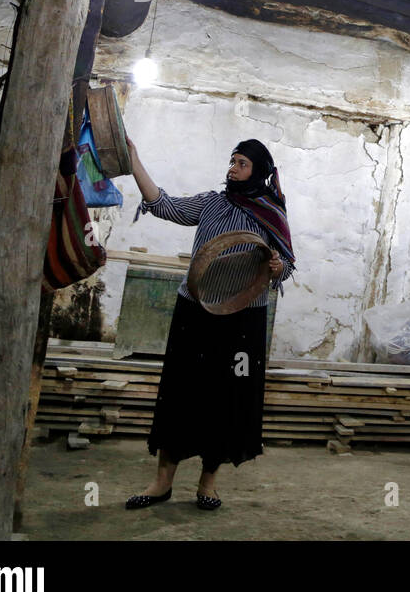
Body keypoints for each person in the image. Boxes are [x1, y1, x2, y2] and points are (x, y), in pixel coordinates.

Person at [123, 136, 295, 511]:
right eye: (231, 161)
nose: (232, 169)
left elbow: (284, 265)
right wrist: (134, 160)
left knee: (227, 397)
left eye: (241, 163)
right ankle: (161, 482)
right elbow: (163, 205)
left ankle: (208, 483)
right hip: (196, 311)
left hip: (242, 319)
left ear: (260, 172)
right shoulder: (212, 203)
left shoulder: (271, 214)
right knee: (180, 391)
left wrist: (278, 268)